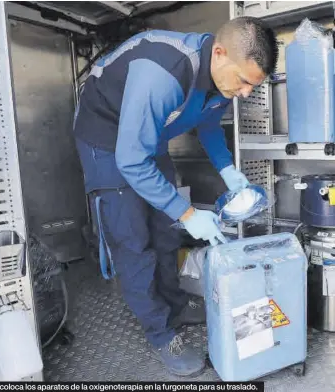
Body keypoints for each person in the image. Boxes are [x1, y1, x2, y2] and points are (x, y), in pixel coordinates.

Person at [73, 16, 278, 377]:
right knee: (134, 240)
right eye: (245, 82)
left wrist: (228, 170)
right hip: (105, 140)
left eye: (253, 86)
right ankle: (160, 332)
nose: (246, 93)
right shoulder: (164, 72)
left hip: (146, 139)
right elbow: (131, 160)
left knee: (165, 231)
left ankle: (174, 304)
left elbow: (209, 123)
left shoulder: (222, 80)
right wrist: (187, 213)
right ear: (219, 53)